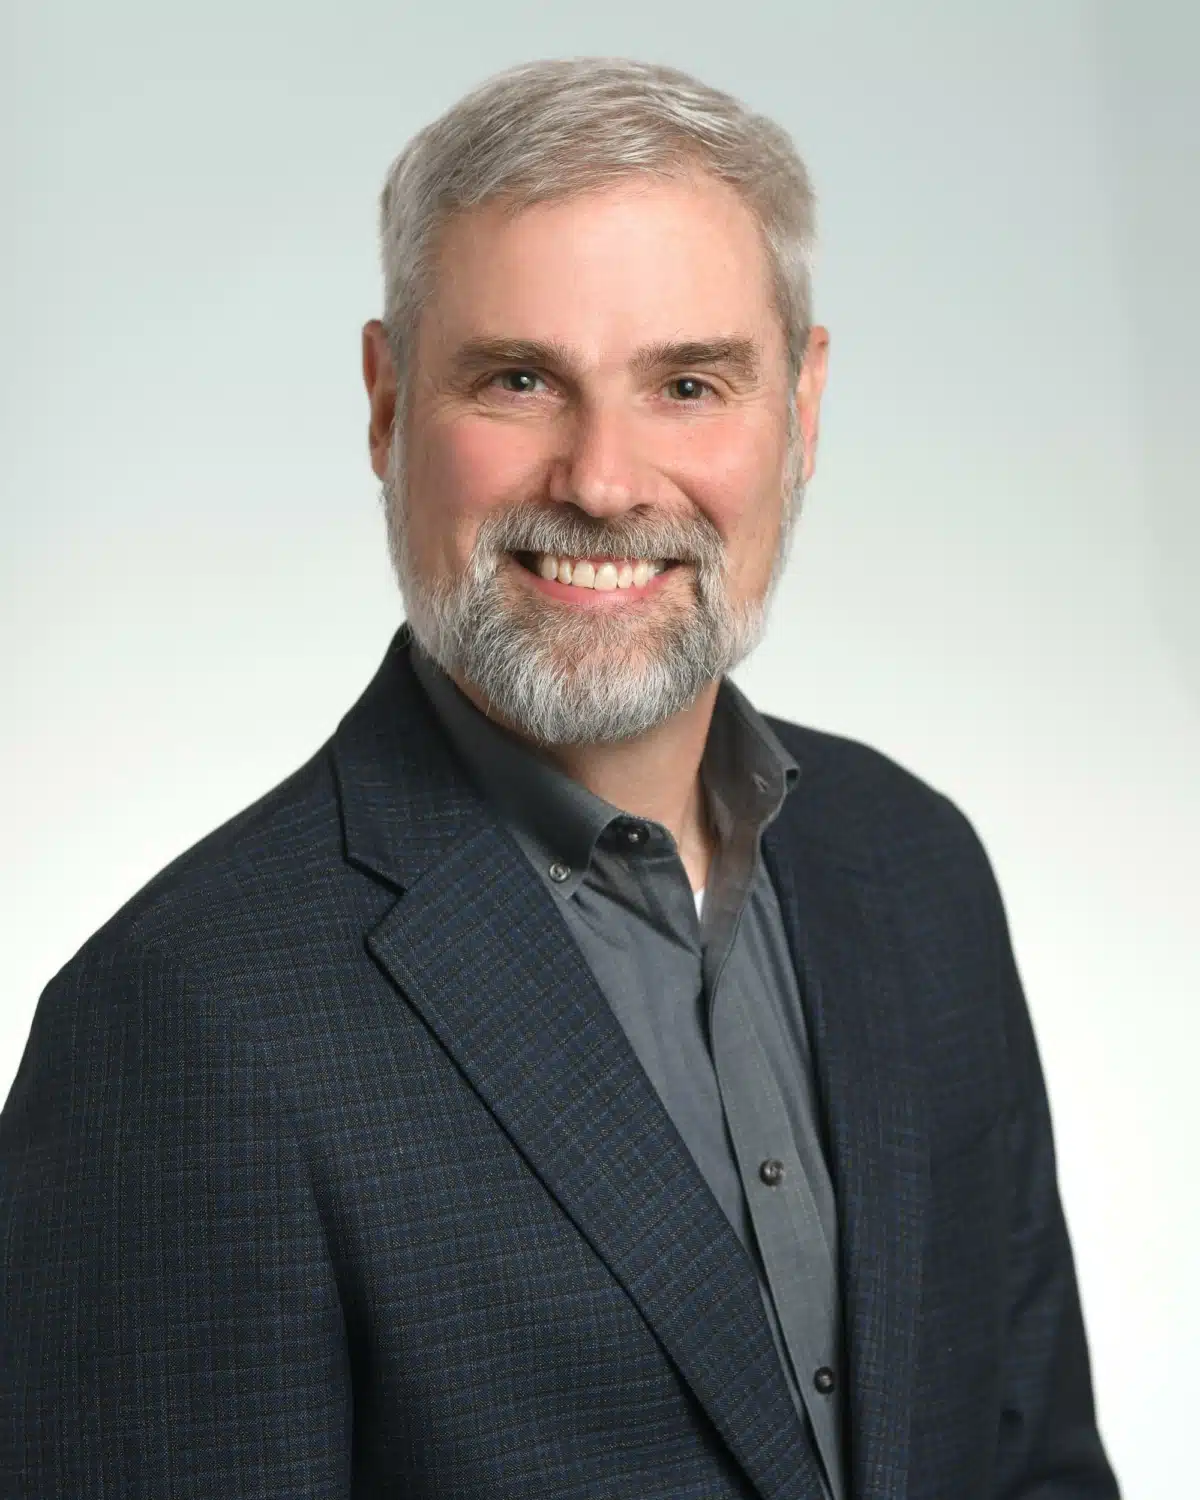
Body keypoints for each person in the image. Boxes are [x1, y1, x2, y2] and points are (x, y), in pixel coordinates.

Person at [0, 56, 1120, 1500]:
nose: (602, 480)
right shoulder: (181, 1023)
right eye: (519, 380)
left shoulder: (916, 868)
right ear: (387, 403)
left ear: (804, 409)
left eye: (688, 383)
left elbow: (1038, 1469)